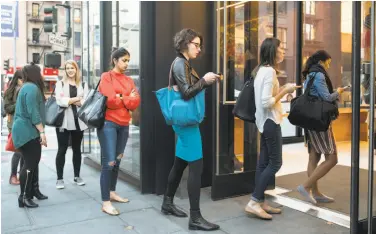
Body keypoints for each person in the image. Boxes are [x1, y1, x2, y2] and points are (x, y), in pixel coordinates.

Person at [161, 28, 220, 231]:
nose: (199, 48)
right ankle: (195, 218)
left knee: (179, 164)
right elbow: (186, 93)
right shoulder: (180, 63)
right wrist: (204, 80)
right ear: (186, 43)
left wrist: (205, 80)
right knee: (196, 166)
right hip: (186, 124)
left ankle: (167, 202)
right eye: (196, 44)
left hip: (184, 122)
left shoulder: (182, 63)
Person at [244, 38, 298, 220]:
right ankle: (254, 201)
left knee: (263, 163)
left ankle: (259, 200)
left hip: (264, 122)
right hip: (270, 122)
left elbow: (266, 97)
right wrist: (285, 90)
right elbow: (266, 102)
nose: (283, 51)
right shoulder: (269, 72)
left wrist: (282, 88)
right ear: (272, 52)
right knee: (275, 163)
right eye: (280, 48)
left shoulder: (261, 71)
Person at [97, 47, 141, 215]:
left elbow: (135, 102)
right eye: (124, 60)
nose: (126, 63)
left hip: (124, 124)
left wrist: (121, 97)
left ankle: (112, 192)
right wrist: (125, 97)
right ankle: (105, 202)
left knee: (117, 160)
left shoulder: (129, 80)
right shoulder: (106, 77)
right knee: (108, 163)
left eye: (128, 60)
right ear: (115, 60)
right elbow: (110, 101)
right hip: (108, 124)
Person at [297, 50, 344, 204]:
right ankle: (306, 186)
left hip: (310, 120)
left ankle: (316, 193)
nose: (328, 65)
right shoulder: (319, 74)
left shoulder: (309, 75)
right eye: (328, 62)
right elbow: (327, 97)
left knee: (314, 157)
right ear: (321, 61)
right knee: (332, 158)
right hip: (320, 122)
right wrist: (338, 91)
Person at [12, 63, 48, 208]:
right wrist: (42, 132)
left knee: (30, 164)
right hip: (28, 131)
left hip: (24, 130)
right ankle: (24, 197)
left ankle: (30, 193)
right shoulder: (32, 88)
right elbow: (33, 112)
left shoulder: (26, 87)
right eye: (39, 72)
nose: (41, 74)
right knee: (29, 165)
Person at [55, 60, 89, 189]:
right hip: (63, 121)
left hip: (78, 121)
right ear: (65, 70)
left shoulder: (83, 84)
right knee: (62, 149)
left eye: (72, 68)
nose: (70, 70)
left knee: (77, 149)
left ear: (76, 69)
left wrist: (69, 101)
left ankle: (77, 176)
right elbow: (60, 101)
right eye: (67, 68)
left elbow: (85, 102)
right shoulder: (60, 83)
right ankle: (59, 178)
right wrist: (75, 99)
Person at [4, 70, 25, 185]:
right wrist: (20, 102)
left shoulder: (25, 90)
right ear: (17, 79)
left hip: (25, 124)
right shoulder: (10, 92)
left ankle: (21, 175)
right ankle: (13, 176)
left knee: (24, 151)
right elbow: (7, 109)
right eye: (22, 79)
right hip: (13, 124)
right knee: (18, 151)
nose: (23, 81)